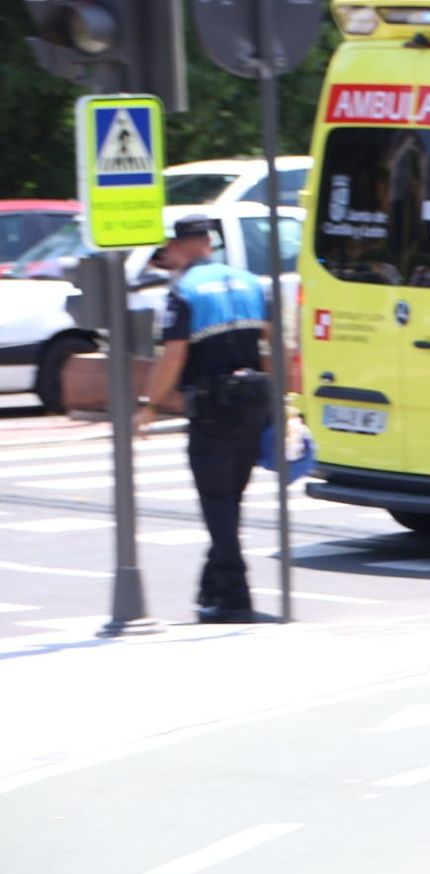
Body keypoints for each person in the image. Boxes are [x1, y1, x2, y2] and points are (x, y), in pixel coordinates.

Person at [135, 214, 273, 624]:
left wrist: (150, 405)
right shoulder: (249, 281)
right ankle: (211, 586)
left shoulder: (185, 291)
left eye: (170, 249)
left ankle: (234, 594)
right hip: (253, 406)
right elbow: (271, 347)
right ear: (208, 242)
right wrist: (283, 404)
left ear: (182, 246)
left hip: (213, 411)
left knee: (217, 503)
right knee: (230, 502)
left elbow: (173, 356)